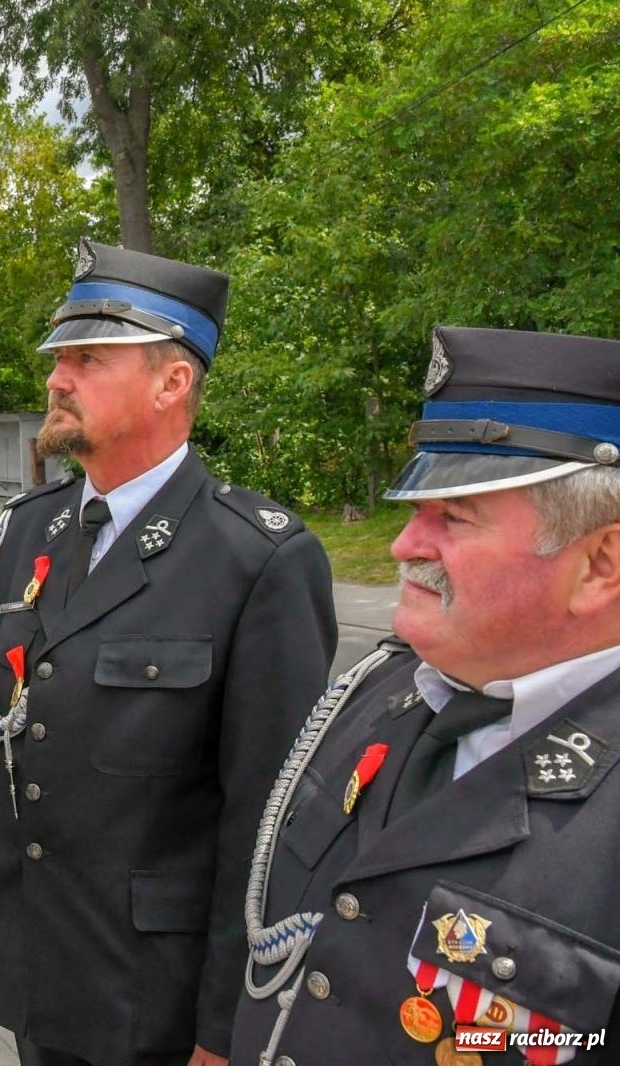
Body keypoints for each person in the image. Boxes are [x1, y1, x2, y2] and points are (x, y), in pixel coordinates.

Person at [0, 238, 339, 1066]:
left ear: (174, 382)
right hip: (32, 967)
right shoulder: (31, 529)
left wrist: (226, 1026)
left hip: (153, 997)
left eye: (88, 359)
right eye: (58, 358)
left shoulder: (257, 559)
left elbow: (269, 826)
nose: (56, 378)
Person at [232, 327, 620, 1064]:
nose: (403, 545)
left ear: (600, 563)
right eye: (415, 511)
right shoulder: (380, 688)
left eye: (452, 518)